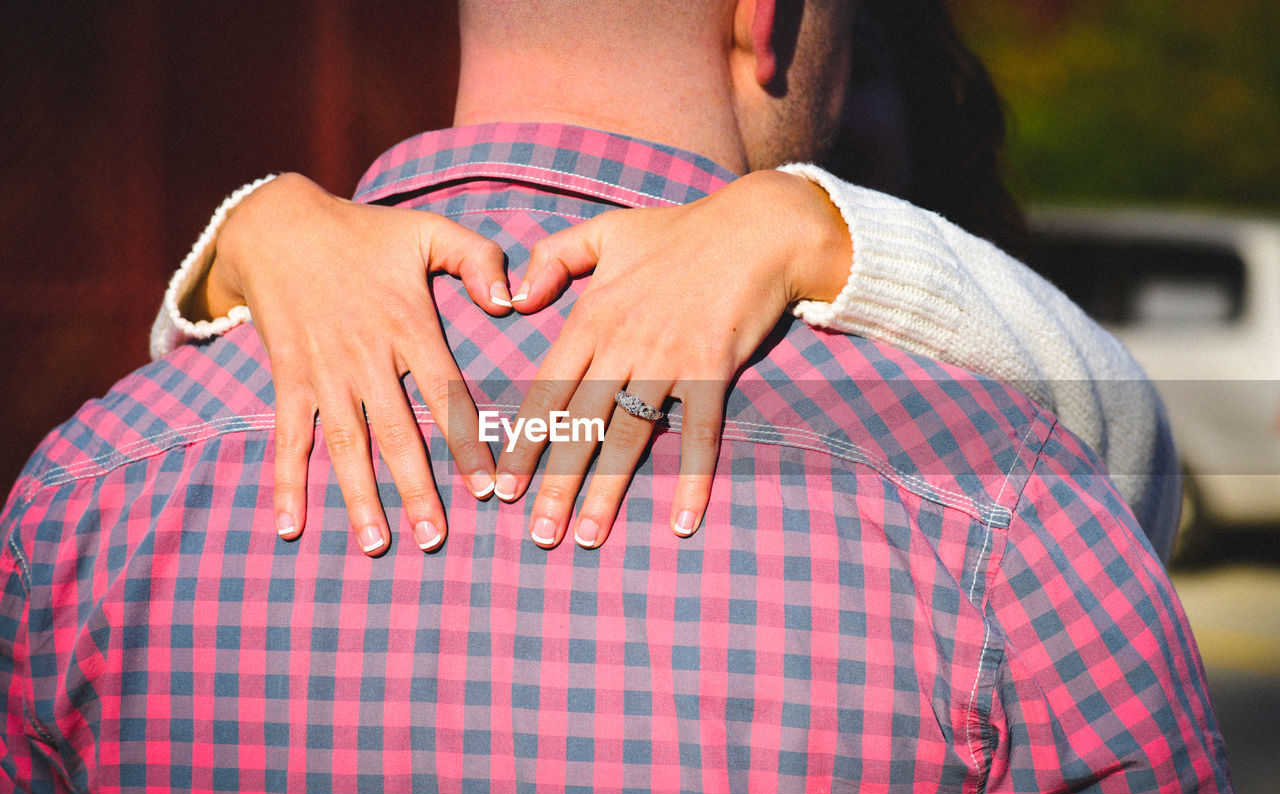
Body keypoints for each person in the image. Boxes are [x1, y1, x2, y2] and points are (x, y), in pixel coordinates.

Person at [0, 0, 1254, 794]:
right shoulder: (1007, 512)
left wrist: (254, 229)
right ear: (766, 14)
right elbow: (1114, 476)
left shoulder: (83, 497)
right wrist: (823, 229)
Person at [152, 1, 1180, 559]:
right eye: (840, 64)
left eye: (868, 78)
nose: (832, 114)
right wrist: (255, 236)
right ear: (765, 27)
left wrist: (815, 228)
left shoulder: (959, 322)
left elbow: (1130, 456)